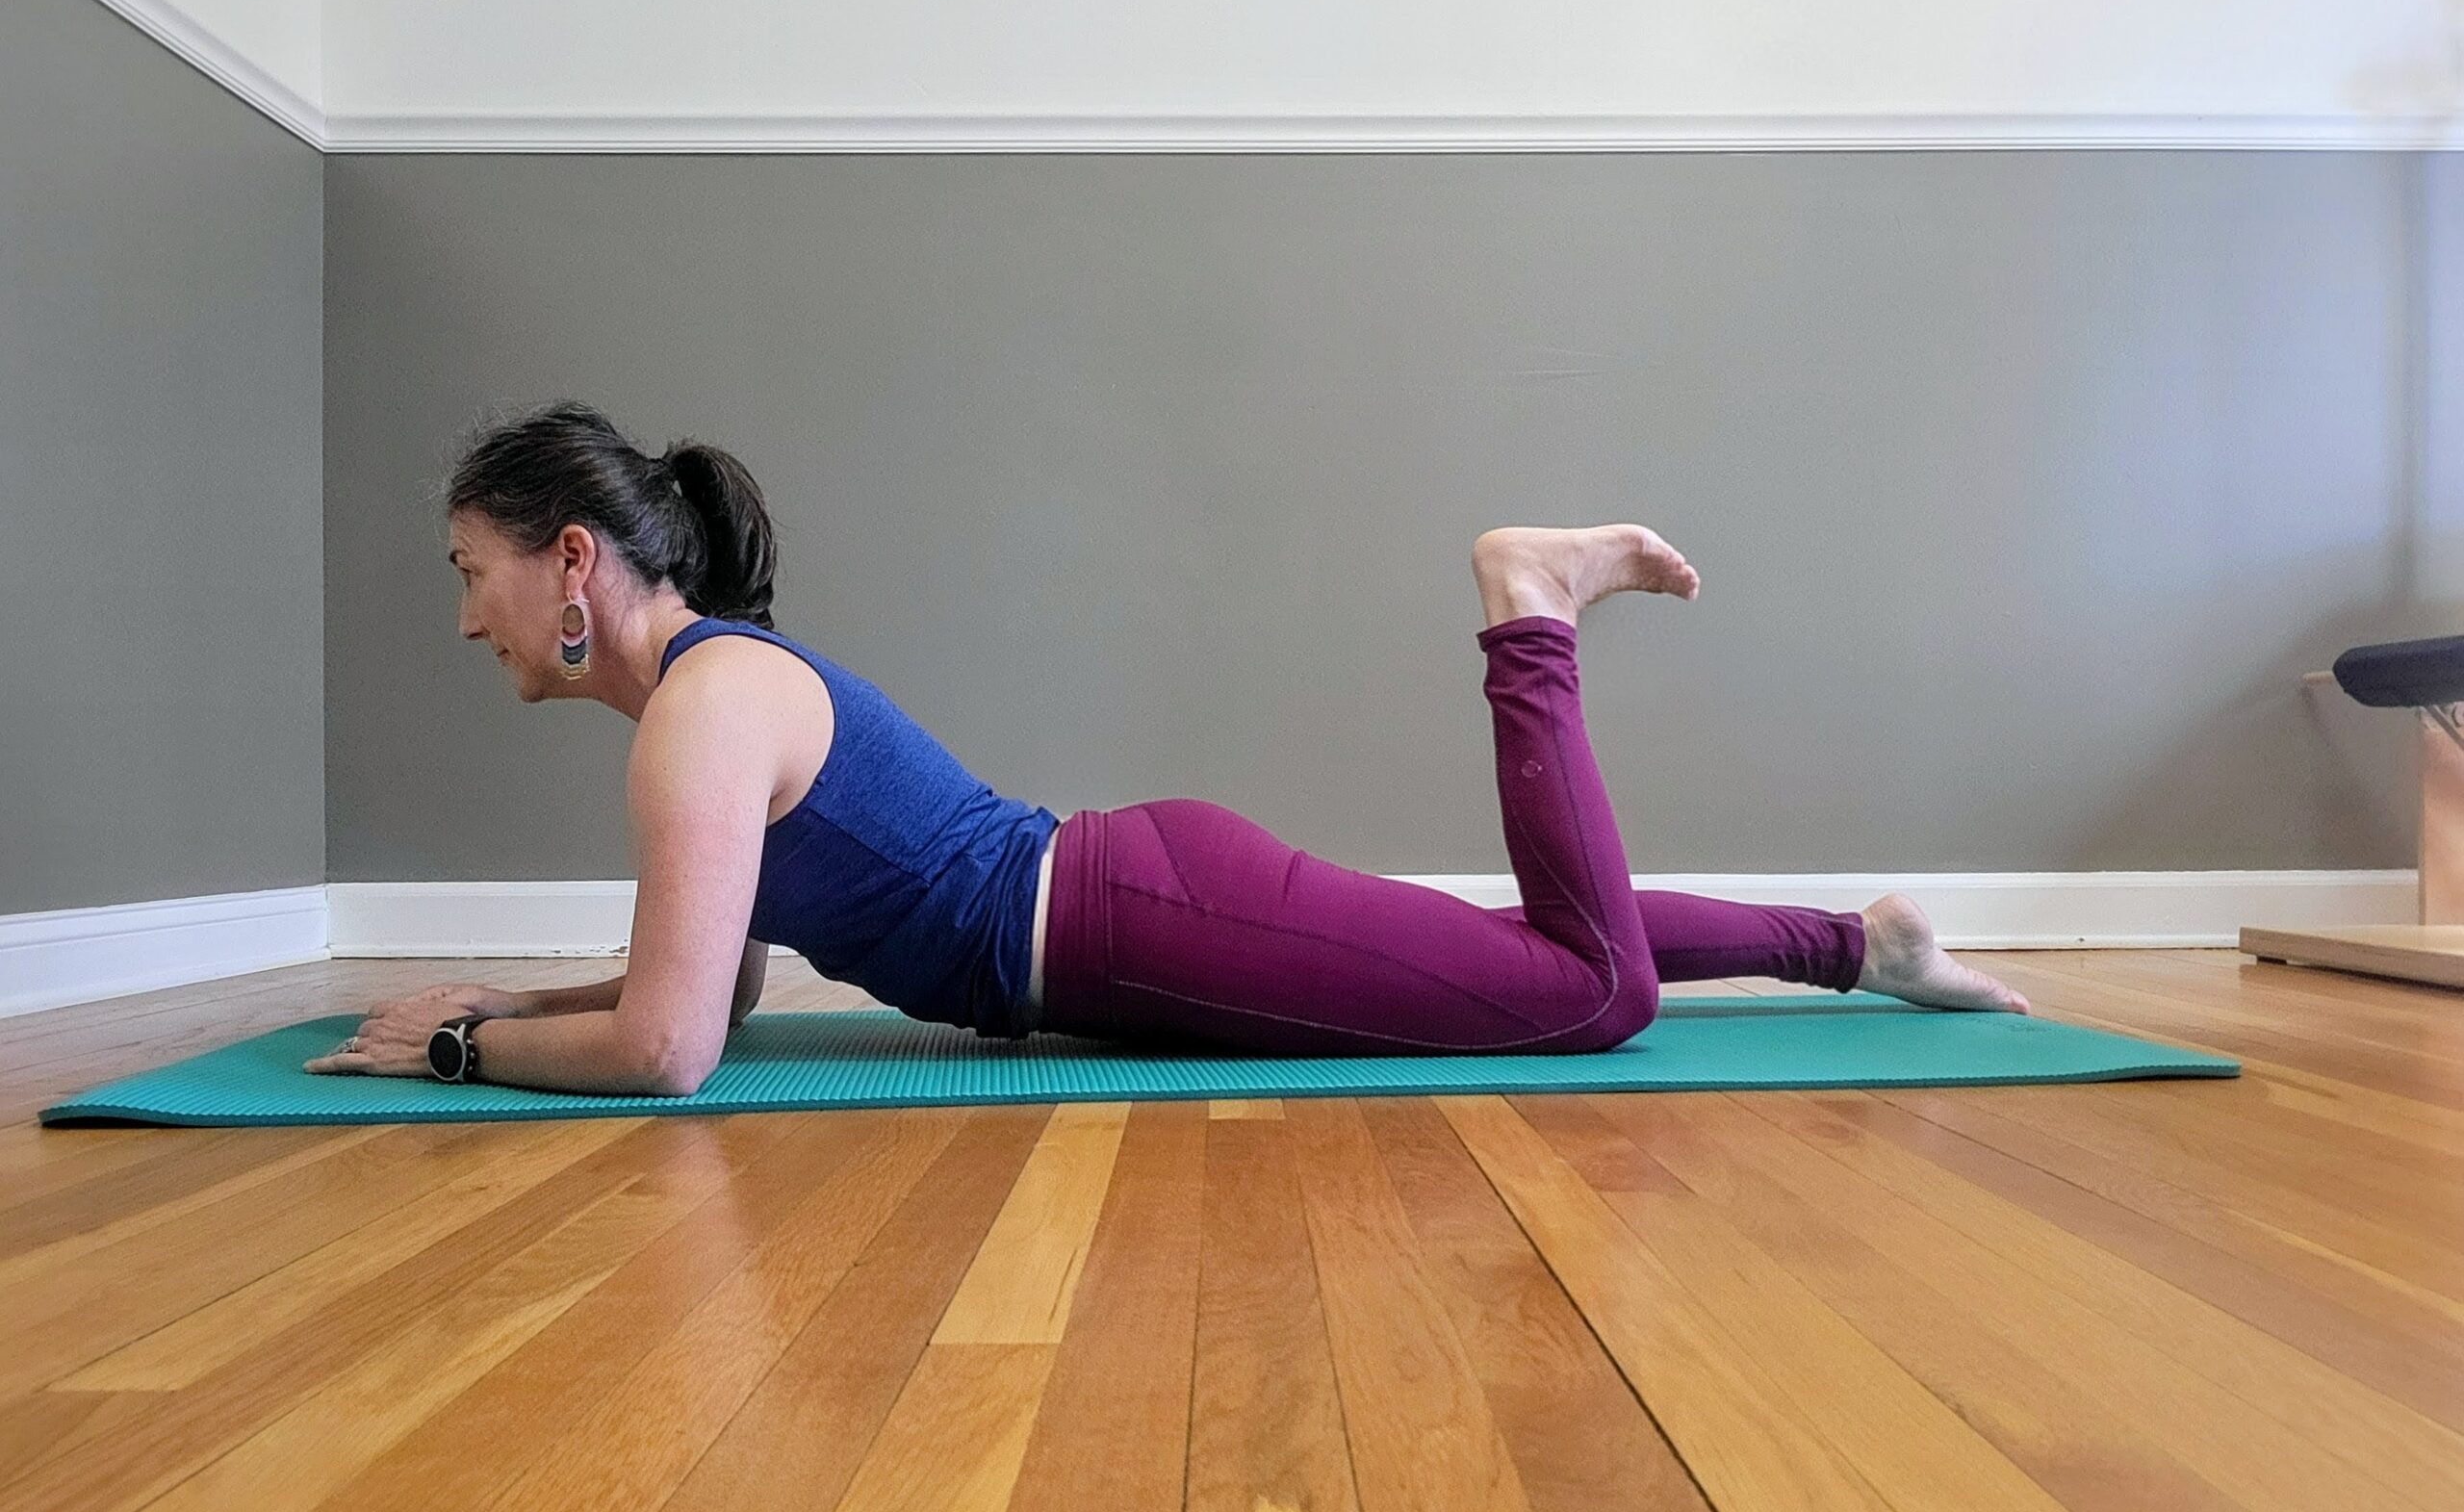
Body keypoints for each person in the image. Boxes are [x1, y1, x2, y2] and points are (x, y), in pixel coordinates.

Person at [307, 399, 2026, 1094]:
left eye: (470, 571)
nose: (464, 617)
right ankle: (1862, 946)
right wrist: (505, 1001)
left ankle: (1533, 612)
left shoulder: (699, 711)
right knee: (1518, 954)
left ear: (573, 564)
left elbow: (671, 1052)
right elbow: (714, 991)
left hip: (1134, 924)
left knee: (1585, 997)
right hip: (1138, 906)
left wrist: (458, 1051)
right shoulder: (711, 693)